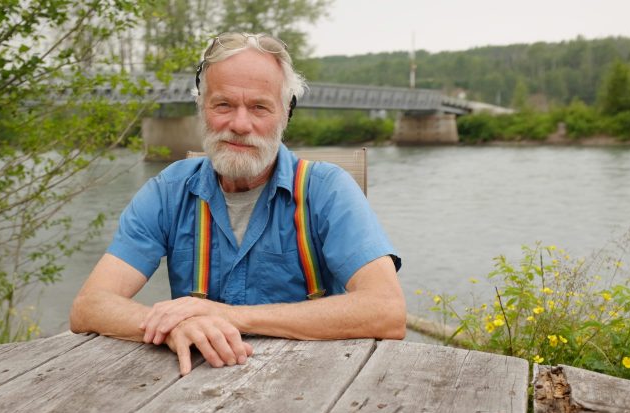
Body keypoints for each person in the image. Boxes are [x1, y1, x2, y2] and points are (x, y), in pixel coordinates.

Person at [71, 32, 406, 376]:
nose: (240, 125)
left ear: (286, 113)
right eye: (223, 105)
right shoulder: (168, 191)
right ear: (201, 108)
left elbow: (386, 310)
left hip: (313, 387)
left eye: (259, 107)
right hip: (190, 388)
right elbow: (89, 306)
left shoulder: (328, 190)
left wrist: (228, 316)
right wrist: (170, 326)